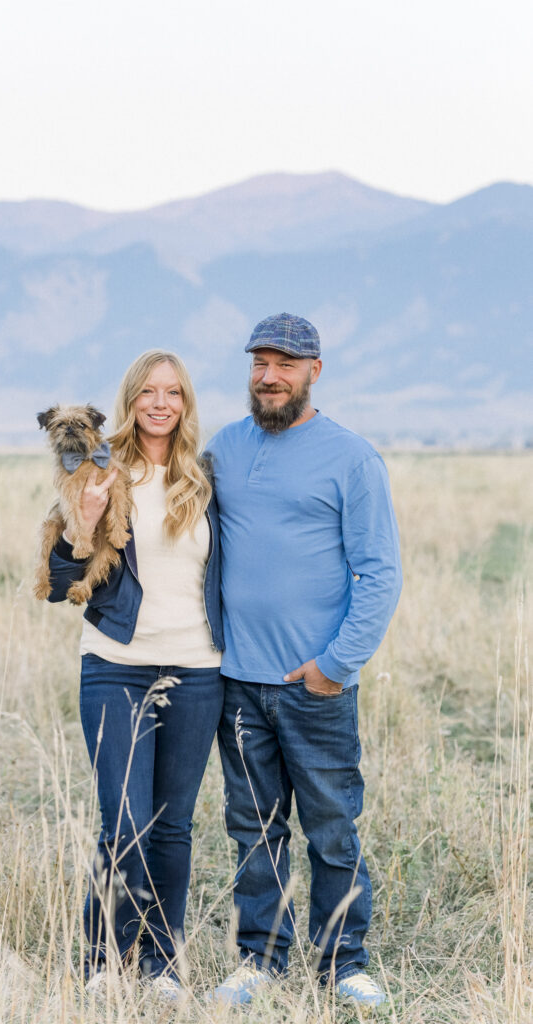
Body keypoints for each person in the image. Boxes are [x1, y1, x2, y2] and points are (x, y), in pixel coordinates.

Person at [205, 313, 402, 1009]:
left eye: (285, 364)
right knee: (252, 830)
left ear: (313, 371)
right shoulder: (223, 449)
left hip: (313, 688)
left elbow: (379, 573)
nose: (269, 375)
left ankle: (343, 962)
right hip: (235, 683)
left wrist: (334, 665)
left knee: (329, 828)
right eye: (260, 362)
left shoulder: (350, 456)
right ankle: (258, 958)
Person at [44, 350, 224, 999]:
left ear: (185, 404)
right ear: (129, 400)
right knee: (123, 821)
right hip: (115, 666)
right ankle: (103, 960)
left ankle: (162, 963)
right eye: (147, 391)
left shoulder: (205, 479)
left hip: (199, 668)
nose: (159, 403)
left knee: (173, 827)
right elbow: (60, 582)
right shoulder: (99, 468)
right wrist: (82, 527)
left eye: (171, 393)